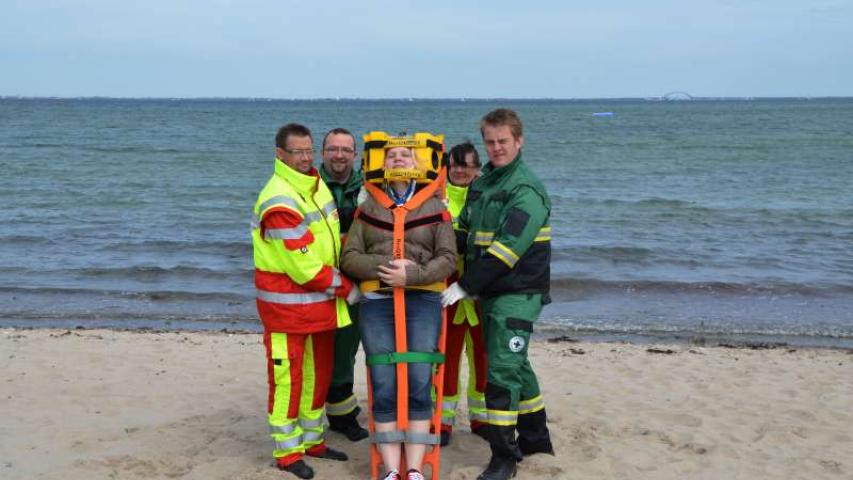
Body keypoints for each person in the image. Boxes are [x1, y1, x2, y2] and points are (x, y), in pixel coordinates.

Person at [441, 109, 555, 480]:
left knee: (502, 371)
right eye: (489, 142)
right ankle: (536, 438)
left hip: (518, 290)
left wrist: (464, 286)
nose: (496, 148)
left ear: (519, 141)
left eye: (503, 141)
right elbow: (464, 231)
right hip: (492, 290)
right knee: (516, 364)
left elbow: (507, 251)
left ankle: (504, 457)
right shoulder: (485, 182)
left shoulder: (525, 190)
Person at [341, 142, 457, 480]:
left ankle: (415, 468)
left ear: (417, 163)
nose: (397, 158)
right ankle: (391, 470)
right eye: (391, 154)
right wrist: (386, 267)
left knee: (420, 379)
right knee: (383, 382)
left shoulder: (435, 206)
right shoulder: (368, 208)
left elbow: (448, 258)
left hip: (422, 301)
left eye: (405, 154)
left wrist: (414, 274)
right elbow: (348, 258)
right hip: (378, 302)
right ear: (383, 163)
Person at [251, 123, 360, 479]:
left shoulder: (314, 185)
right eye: (297, 152)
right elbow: (304, 266)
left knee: (317, 376)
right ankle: (287, 453)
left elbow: (330, 242)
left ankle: (313, 440)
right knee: (288, 381)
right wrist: (346, 287)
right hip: (287, 311)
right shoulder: (278, 200)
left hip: (319, 308)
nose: (305, 157)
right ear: (280, 154)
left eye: (308, 150)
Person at [318, 128, 369, 442]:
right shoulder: (309, 185)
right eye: (333, 149)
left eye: (345, 150)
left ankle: (342, 417)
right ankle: (310, 414)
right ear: (322, 152)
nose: (339, 155)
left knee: (346, 350)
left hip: (356, 283)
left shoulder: (368, 187)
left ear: (355, 154)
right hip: (317, 281)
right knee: (317, 352)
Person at [440, 142, 488, 446]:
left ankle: (480, 418)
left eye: (466, 165)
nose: (460, 171)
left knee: (482, 356)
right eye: (455, 165)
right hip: (447, 287)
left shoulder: (486, 196)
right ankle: (443, 421)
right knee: (446, 356)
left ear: (477, 169)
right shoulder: (436, 195)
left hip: (480, 288)